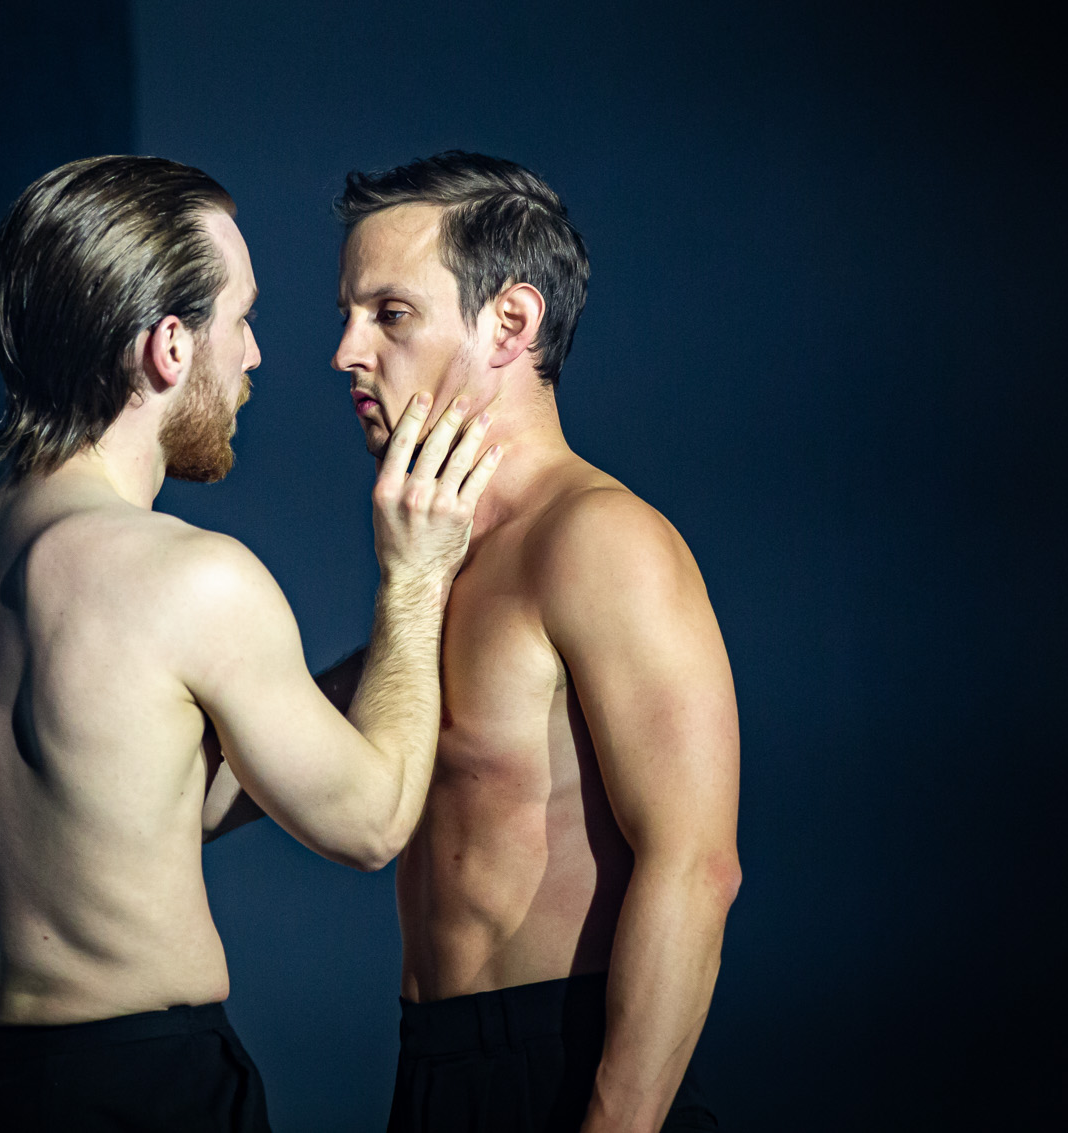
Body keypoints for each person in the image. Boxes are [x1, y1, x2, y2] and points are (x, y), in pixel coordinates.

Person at [0, 155, 502, 1133]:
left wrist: (367, 676)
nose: (253, 357)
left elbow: (140, 799)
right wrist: (416, 581)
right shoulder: (187, 577)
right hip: (132, 1097)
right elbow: (371, 822)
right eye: (240, 320)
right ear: (168, 346)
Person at [221, 151, 740, 1131]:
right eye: (346, 313)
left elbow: (696, 865)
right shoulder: (433, 557)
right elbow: (284, 761)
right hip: (434, 1068)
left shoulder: (600, 539)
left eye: (388, 313)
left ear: (509, 322)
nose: (344, 351)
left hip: (568, 1071)